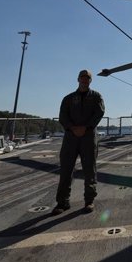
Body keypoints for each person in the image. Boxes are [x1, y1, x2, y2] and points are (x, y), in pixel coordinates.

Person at [52, 69, 105, 215]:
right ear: (78, 79)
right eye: (82, 78)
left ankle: (89, 201)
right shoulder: (68, 98)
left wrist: (86, 127)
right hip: (71, 137)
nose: (84, 80)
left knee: (90, 170)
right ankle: (62, 202)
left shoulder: (96, 97)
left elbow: (99, 113)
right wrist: (72, 127)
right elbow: (63, 116)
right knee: (66, 170)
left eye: (87, 78)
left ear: (90, 81)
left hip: (88, 137)